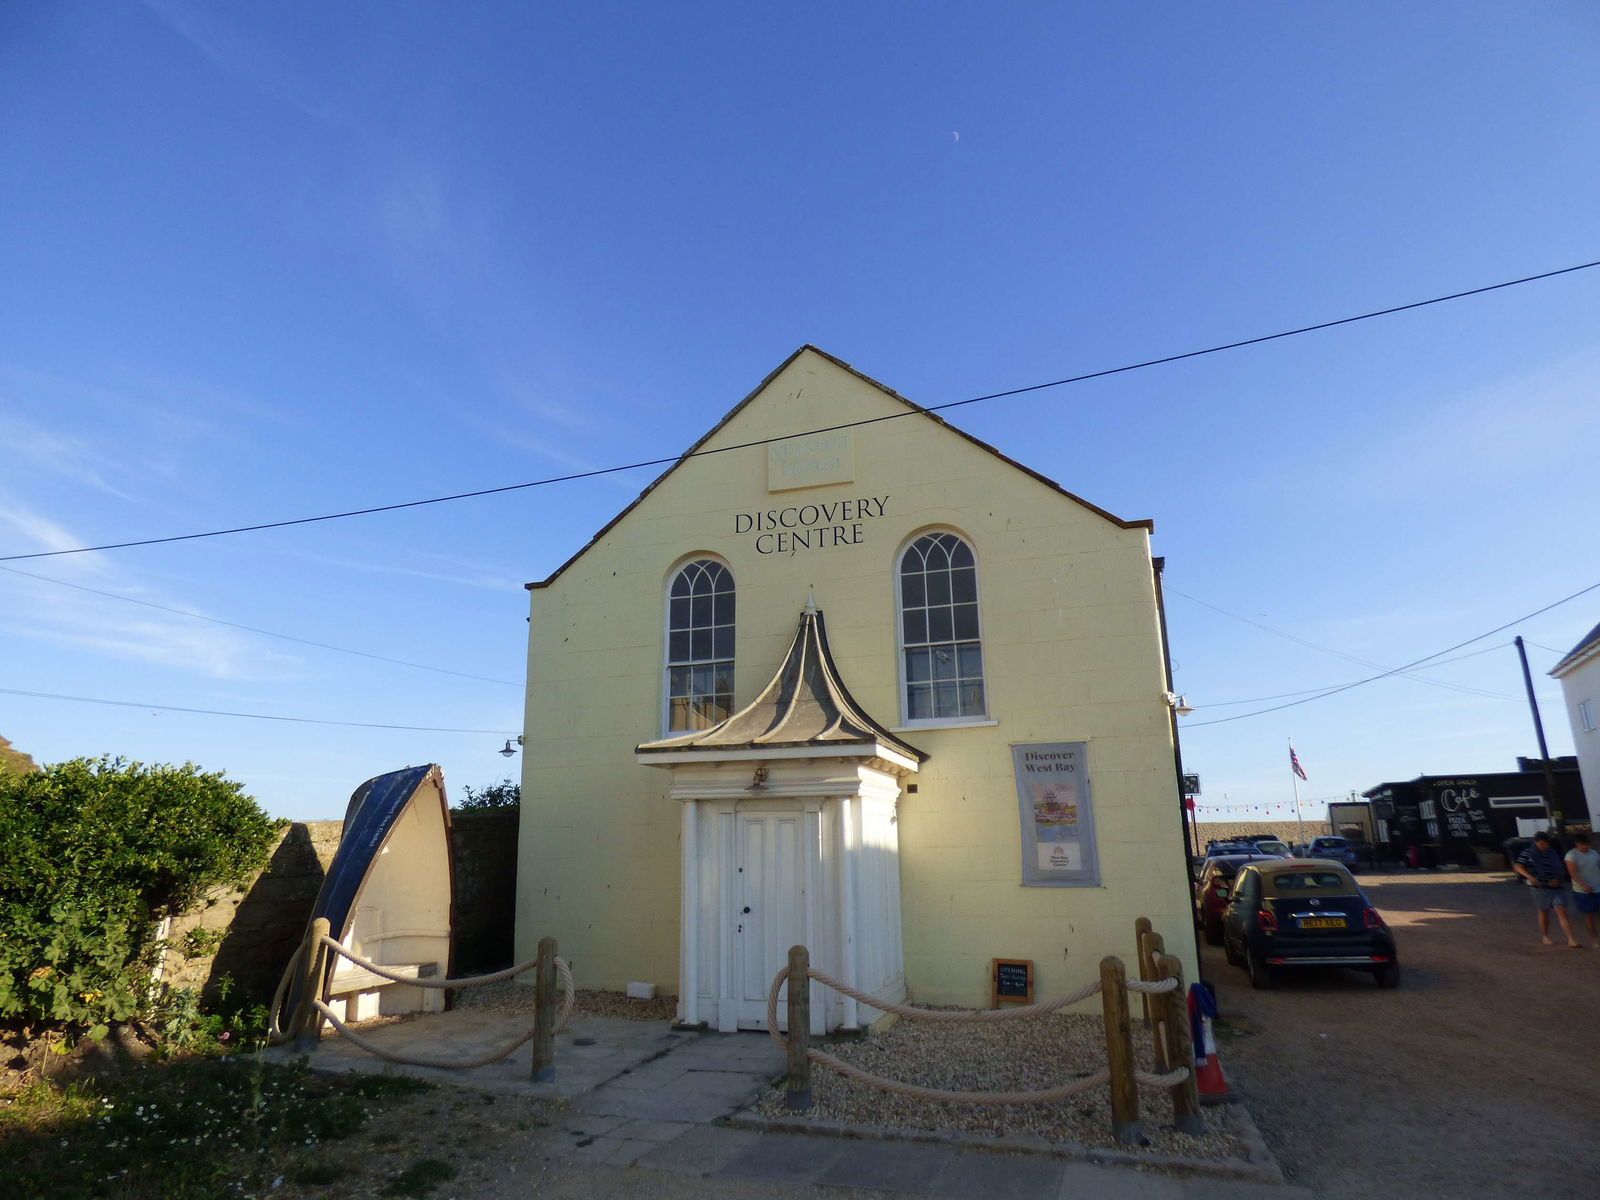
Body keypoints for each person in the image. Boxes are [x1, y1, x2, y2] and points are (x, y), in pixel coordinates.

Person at [1514, 831, 1579, 948]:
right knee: (1544, 912)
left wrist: (1558, 878)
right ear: (1536, 842)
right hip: (1538, 887)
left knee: (1562, 911)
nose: (1545, 846)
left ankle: (1571, 938)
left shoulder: (1552, 853)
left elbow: (1560, 867)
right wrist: (1529, 876)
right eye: (1542, 844)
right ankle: (1545, 935)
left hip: (1555, 885)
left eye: (1546, 844)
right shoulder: (1528, 853)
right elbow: (1518, 866)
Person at [1564, 831, 1600, 949]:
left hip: (1597, 886)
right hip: (1582, 891)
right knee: (1589, 915)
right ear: (1577, 844)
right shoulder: (1571, 855)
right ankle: (1594, 938)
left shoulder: (1594, 853)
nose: (1585, 847)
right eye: (1582, 845)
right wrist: (1583, 885)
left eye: (1587, 844)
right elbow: (1572, 873)